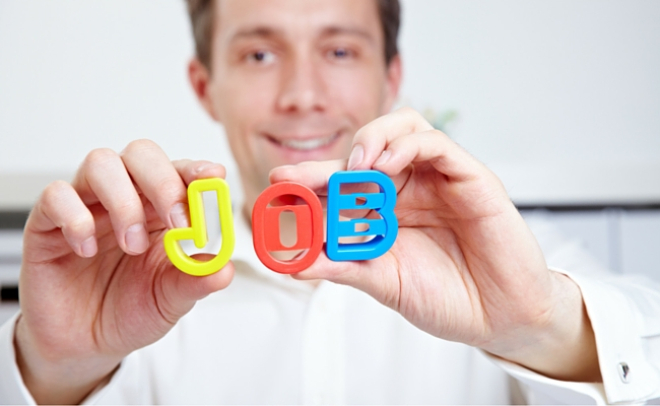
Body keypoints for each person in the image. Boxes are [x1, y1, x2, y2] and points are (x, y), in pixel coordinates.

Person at [1, 0, 659, 403]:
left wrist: (542, 324)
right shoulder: (132, 281)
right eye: (260, 53)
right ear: (206, 85)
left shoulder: (515, 256)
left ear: (390, 77)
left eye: (340, 50)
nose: (304, 94)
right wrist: (55, 371)